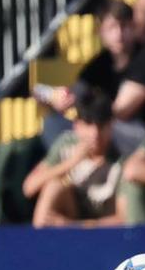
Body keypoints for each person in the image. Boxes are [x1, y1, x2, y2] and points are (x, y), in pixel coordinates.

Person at [39, 0, 145, 155]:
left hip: (142, 133)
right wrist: (59, 100)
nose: (118, 34)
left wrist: (83, 118)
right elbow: (77, 93)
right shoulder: (100, 62)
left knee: (97, 128)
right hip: (106, 128)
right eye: (111, 28)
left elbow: (121, 110)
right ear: (101, 32)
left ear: (133, 28)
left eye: (124, 26)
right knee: (53, 123)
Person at [24, 92, 125, 228]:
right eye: (88, 125)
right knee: (54, 186)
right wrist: (71, 163)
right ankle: (41, 242)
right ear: (77, 126)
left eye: (101, 126)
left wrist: (75, 225)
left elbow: (125, 218)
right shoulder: (66, 145)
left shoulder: (120, 160)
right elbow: (29, 187)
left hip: (102, 233)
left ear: (111, 126)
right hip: (69, 215)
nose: (95, 134)